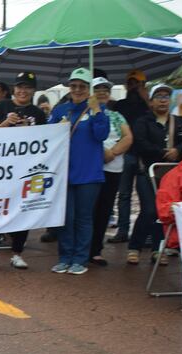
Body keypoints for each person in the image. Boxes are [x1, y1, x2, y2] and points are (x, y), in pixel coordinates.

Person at [48, 68, 109, 275]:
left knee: (83, 218)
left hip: (89, 174)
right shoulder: (61, 110)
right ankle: (65, 257)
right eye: (73, 85)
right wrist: (57, 126)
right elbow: (47, 136)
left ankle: (80, 259)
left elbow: (102, 135)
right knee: (66, 217)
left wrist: (97, 111)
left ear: (88, 88)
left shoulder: (97, 109)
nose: (77, 89)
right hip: (63, 174)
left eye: (82, 86)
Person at [0, 71, 47, 270]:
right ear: (14, 89)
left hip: (26, 169)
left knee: (24, 208)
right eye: (20, 87)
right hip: (1, 169)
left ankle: (17, 253)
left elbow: (44, 142)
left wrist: (28, 128)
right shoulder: (2, 106)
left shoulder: (38, 113)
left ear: (33, 90)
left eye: (27, 87)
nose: (23, 91)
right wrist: (7, 122)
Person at [127, 84, 182, 265]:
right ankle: (134, 246)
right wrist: (164, 152)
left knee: (164, 212)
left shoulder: (179, 122)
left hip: (172, 178)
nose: (163, 100)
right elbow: (140, 144)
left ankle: (158, 248)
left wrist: (178, 150)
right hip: (146, 173)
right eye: (159, 96)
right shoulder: (142, 122)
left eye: (166, 96)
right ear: (151, 101)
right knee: (149, 210)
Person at [89, 77, 133, 266]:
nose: (102, 92)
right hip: (90, 169)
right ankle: (83, 249)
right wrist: (101, 152)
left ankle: (96, 250)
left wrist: (112, 152)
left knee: (104, 210)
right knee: (87, 210)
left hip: (113, 168)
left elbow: (128, 137)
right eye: (97, 89)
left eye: (105, 89)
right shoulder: (86, 114)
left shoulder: (117, 116)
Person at [111, 69, 151, 243]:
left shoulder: (149, 105)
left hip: (144, 156)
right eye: (131, 83)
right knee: (124, 194)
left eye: (137, 83)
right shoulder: (120, 105)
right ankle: (122, 230)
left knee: (146, 196)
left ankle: (147, 231)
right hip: (125, 154)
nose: (133, 87)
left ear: (143, 85)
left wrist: (147, 99)